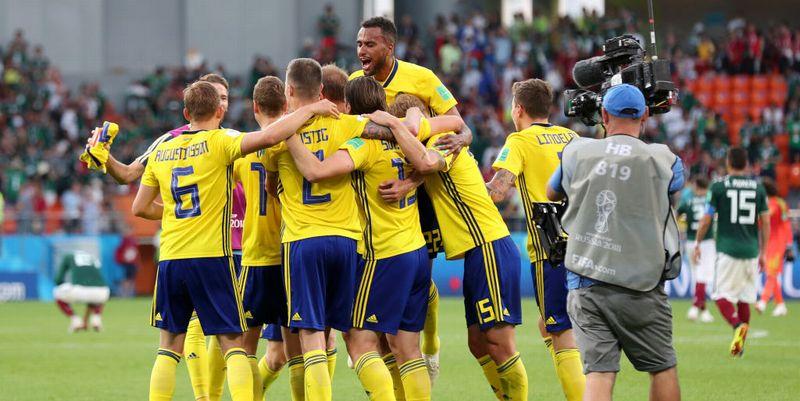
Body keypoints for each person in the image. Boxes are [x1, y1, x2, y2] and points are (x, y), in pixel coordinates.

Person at [131, 79, 338, 401]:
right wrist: (312, 108)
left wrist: (173, 211)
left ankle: (208, 397)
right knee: (236, 344)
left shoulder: (162, 149)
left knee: (169, 347)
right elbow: (271, 136)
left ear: (186, 112)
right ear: (219, 109)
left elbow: (139, 207)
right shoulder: (224, 142)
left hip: (172, 256)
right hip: (228, 255)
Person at [285, 76, 465, 401]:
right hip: (416, 253)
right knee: (407, 350)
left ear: (350, 107)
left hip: (383, 255)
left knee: (360, 341)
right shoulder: (406, 138)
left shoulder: (361, 145)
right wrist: (413, 177)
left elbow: (317, 171)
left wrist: (289, 137)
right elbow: (443, 138)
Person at [85, 73, 245, 401]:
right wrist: (106, 161)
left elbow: (137, 197)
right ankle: (206, 397)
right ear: (207, 107)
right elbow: (128, 173)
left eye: (226, 98)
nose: (223, 104)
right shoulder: (225, 141)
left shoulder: (173, 145)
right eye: (218, 98)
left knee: (177, 340)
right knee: (224, 337)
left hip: (211, 248)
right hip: (216, 249)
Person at [381, 94, 528, 401]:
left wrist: (393, 126)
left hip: (488, 245)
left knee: (500, 344)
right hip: (477, 253)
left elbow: (428, 161)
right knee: (477, 342)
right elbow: (428, 169)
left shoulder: (442, 139)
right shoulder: (442, 140)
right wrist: (411, 182)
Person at [264, 58, 395, 401]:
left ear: (288, 91)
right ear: (321, 91)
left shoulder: (279, 137)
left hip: (303, 242)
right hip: (347, 240)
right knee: (355, 337)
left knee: (312, 338)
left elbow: (268, 185)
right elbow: (381, 133)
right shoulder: (345, 125)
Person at [350, 16, 469, 383]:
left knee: (418, 286)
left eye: (369, 44)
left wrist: (412, 182)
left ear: (389, 46)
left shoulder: (422, 78)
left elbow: (460, 128)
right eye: (358, 44)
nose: (361, 51)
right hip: (369, 205)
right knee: (387, 329)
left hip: (417, 198)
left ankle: (430, 343)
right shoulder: (355, 85)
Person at [547, 84, 683, 401]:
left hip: (586, 278)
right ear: (646, 115)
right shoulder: (663, 158)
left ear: (603, 115)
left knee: (598, 373)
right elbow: (675, 184)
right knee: (662, 367)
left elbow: (551, 191)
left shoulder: (577, 151)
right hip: (640, 282)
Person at [486, 78, 585, 401]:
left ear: (519, 109)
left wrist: (462, 179)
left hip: (550, 250)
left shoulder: (520, 140)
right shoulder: (572, 138)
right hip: (585, 246)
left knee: (561, 333)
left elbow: (498, 191)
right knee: (549, 325)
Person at [694, 147, 769, 357]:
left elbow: (707, 218)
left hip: (727, 251)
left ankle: (737, 326)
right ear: (746, 164)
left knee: (719, 296)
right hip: (751, 251)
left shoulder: (719, 187)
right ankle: (740, 345)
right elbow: (765, 221)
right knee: (744, 298)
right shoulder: (758, 188)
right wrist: (763, 252)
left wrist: (698, 242)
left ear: (728, 162)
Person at [676, 177, 715, 323]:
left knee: (697, 276)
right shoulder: (710, 202)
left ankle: (703, 311)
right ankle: (694, 307)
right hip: (706, 241)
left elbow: (676, 214)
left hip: (691, 242)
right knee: (703, 276)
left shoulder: (687, 201)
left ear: (696, 186)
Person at [756, 178, 792, 316]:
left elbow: (765, 217)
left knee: (771, 273)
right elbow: (786, 223)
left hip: (776, 242)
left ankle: (763, 302)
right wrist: (789, 243)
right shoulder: (781, 202)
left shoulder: (772, 204)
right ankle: (781, 304)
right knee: (772, 273)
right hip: (776, 241)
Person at [53, 251, 110, 333]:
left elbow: (58, 280)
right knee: (96, 297)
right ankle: (96, 318)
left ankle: (75, 320)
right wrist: (85, 321)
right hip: (103, 291)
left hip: (80, 290)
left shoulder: (69, 256)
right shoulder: (93, 258)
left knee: (57, 292)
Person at [114, 229, 140, 297]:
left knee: (131, 278)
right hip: (126, 263)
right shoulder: (124, 241)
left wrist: (137, 263)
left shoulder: (133, 240)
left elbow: (135, 253)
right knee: (126, 278)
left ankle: (129, 293)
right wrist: (120, 260)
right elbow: (119, 251)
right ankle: (124, 293)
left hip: (132, 263)